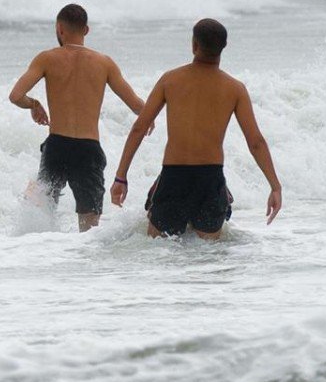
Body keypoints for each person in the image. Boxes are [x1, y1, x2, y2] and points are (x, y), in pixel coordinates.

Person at [110, 18, 283, 238]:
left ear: (194, 45)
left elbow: (139, 128)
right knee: (207, 257)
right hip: (210, 180)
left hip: (174, 177)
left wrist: (121, 177)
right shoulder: (235, 89)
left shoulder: (170, 80)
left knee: (158, 250)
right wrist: (274, 186)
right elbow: (256, 142)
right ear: (223, 47)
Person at [8, 4, 148, 231]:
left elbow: (15, 96)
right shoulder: (104, 63)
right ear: (86, 30)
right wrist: (151, 118)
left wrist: (33, 104)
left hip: (57, 147)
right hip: (87, 150)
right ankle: (84, 263)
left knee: (40, 210)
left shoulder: (46, 59)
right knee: (89, 228)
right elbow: (136, 105)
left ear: (59, 29)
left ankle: (36, 258)